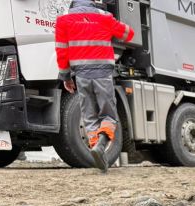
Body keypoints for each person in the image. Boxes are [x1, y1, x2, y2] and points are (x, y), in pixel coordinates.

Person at [55, 0, 135, 172]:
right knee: (108, 115)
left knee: (89, 116)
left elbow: (62, 52)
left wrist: (65, 77)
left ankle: (98, 150)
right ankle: (103, 143)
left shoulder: (63, 20)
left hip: (81, 76)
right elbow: (129, 34)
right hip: (103, 74)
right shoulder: (104, 17)